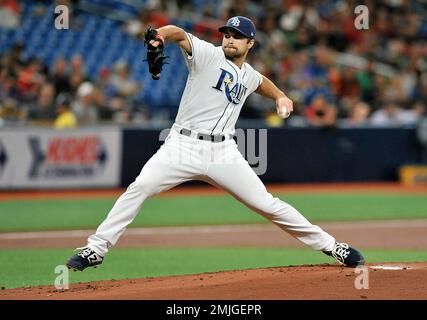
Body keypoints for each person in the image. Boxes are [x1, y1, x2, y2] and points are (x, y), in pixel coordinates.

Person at [66, 16, 364, 271]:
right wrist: (159, 35)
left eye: (238, 37)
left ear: (250, 44)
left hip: (223, 152)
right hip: (181, 145)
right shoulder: (207, 54)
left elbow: (262, 82)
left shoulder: (248, 74)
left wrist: (281, 97)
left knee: (267, 204)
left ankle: (332, 246)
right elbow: (179, 34)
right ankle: (96, 249)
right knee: (139, 188)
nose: (230, 39)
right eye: (228, 34)